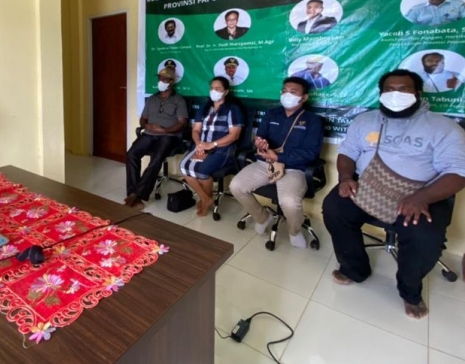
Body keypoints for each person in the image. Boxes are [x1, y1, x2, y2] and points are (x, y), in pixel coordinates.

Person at [322, 69, 465, 319]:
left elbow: (460, 172)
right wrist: (346, 178)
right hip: (369, 185)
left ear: (418, 94)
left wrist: (422, 198)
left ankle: (410, 292)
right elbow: (348, 152)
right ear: (381, 94)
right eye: (389, 90)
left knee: (423, 236)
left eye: (403, 89)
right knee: (335, 207)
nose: (396, 94)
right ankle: (354, 269)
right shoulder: (365, 121)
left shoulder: (443, 128)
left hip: (421, 195)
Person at [229, 77, 323, 248]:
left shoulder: (313, 120)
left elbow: (311, 153)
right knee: (236, 186)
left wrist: (279, 157)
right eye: (284, 91)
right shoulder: (272, 113)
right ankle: (263, 218)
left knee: (289, 202)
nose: (287, 94)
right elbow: (260, 136)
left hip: (294, 169)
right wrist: (260, 144)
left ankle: (294, 231)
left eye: (293, 92)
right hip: (265, 164)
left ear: (304, 97)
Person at [124, 67, 188, 209]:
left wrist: (165, 130)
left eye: (164, 79)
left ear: (171, 82)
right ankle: (132, 193)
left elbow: (182, 123)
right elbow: (143, 118)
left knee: (157, 158)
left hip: (167, 136)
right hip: (149, 134)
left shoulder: (178, 100)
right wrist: (145, 125)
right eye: (160, 78)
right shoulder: (152, 99)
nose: (161, 81)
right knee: (131, 154)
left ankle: (138, 195)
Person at [179, 77, 244, 216]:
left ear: (226, 91)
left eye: (218, 88)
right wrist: (199, 144)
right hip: (202, 146)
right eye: (212, 88)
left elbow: (234, 135)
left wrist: (211, 144)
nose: (214, 91)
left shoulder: (233, 109)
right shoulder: (205, 108)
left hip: (223, 149)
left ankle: (205, 200)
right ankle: (206, 198)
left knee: (202, 171)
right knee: (184, 167)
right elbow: (196, 129)